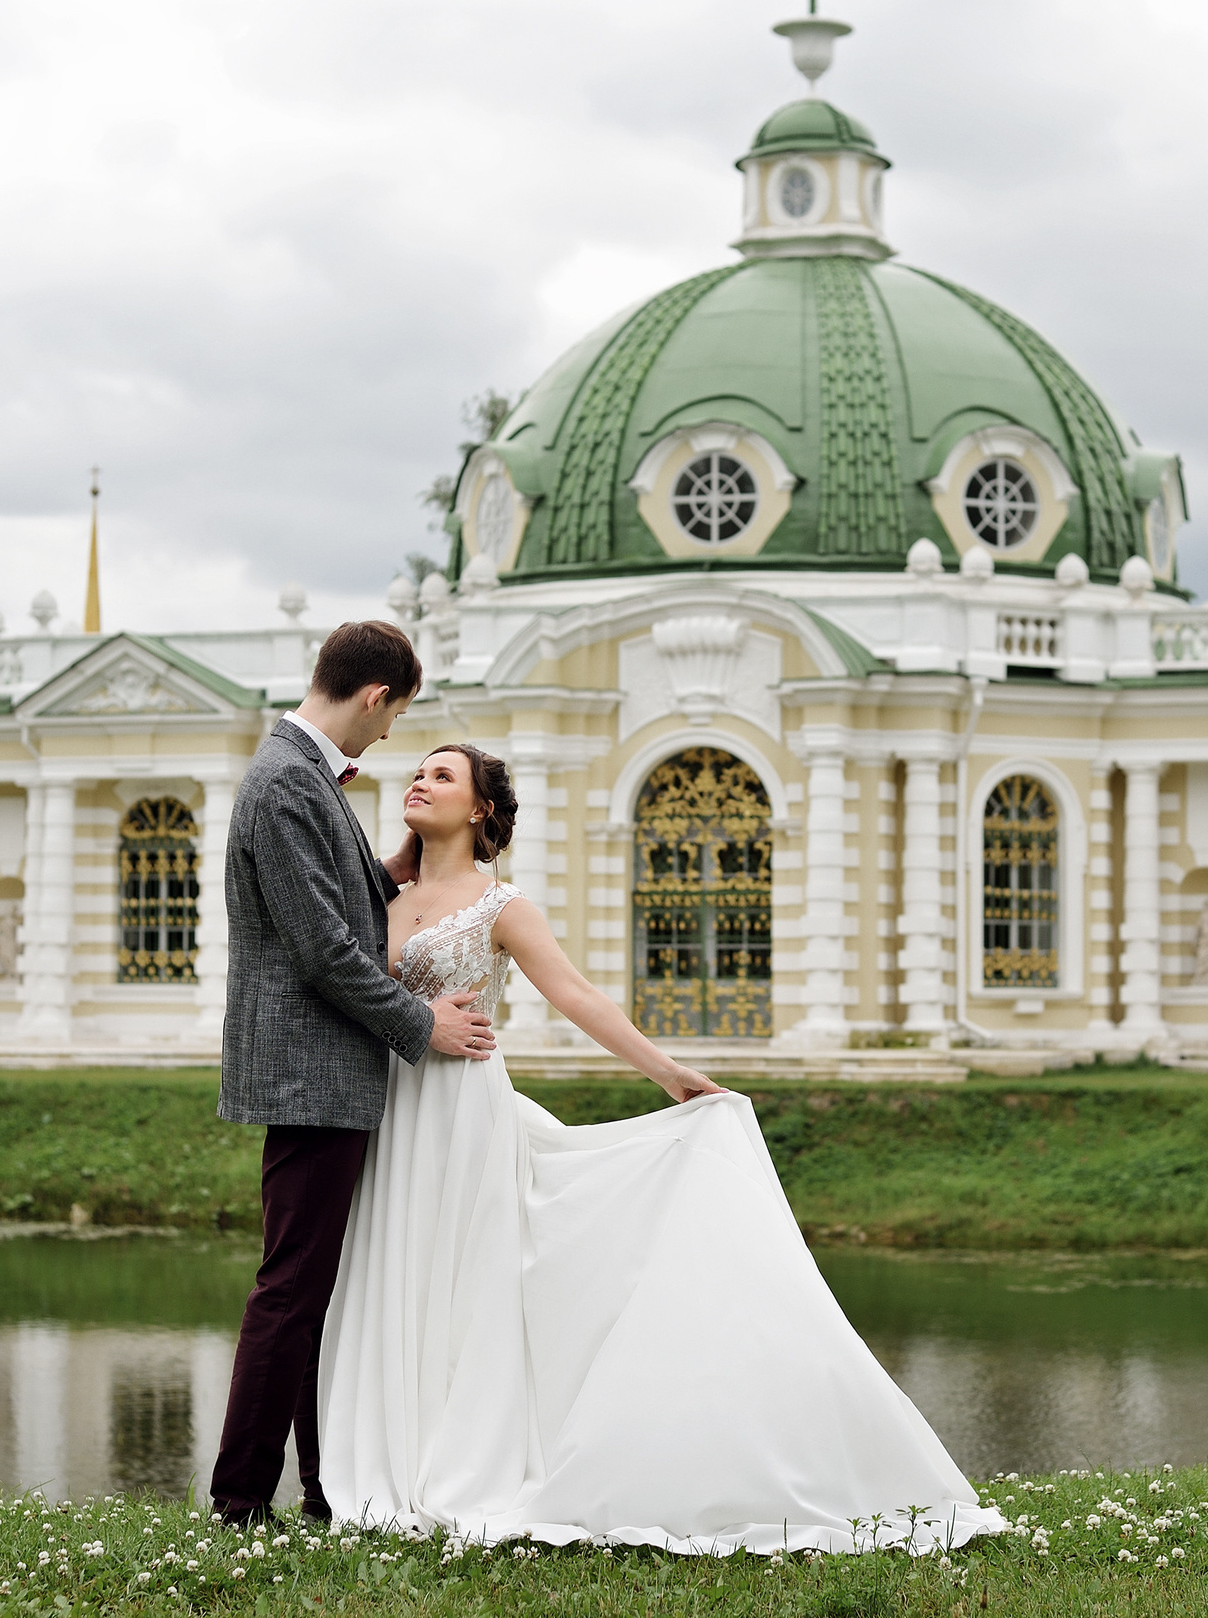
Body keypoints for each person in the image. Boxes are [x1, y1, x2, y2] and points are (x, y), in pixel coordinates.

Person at [315, 742, 1005, 1554]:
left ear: (478, 810)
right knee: (395, 1275)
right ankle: (385, 1460)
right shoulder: (380, 891)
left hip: (463, 1111)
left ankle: (458, 1463)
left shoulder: (501, 905)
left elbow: (575, 994)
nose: (419, 782)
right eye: (418, 771)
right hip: (389, 1106)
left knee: (465, 1283)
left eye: (442, 775)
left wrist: (667, 1070)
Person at [209, 620, 498, 1530]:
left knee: (314, 1288)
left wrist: (392, 871)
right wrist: (423, 1023)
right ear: (375, 696)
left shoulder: (300, 776)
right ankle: (241, 1497)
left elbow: (330, 898)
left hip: (323, 1071)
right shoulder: (286, 779)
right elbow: (323, 947)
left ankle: (324, 1487)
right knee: (293, 1285)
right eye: (395, 717)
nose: (389, 738)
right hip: (310, 1071)